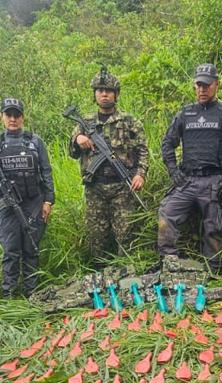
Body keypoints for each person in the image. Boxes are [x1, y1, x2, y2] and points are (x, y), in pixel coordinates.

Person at [157, 63, 222, 274]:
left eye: (207, 85)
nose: (202, 89)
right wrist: (173, 171)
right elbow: (167, 143)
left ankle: (212, 272)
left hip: (216, 180)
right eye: (198, 85)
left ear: (216, 85)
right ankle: (169, 265)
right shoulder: (185, 114)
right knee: (166, 213)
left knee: (214, 225)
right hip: (188, 180)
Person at [69, 67, 149, 266]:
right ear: (94, 95)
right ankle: (100, 281)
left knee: (126, 237)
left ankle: (125, 277)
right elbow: (72, 153)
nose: (104, 94)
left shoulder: (130, 122)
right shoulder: (84, 122)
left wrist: (140, 174)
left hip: (123, 188)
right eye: (99, 90)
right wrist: (77, 139)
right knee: (97, 239)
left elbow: (143, 151)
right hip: (95, 188)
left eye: (108, 91)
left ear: (116, 94)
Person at [0, 98, 55, 298]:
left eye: (17, 115)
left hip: (33, 202)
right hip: (6, 206)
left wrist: (48, 201)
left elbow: (46, 172)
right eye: (9, 115)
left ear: (23, 117)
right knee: (10, 251)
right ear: (2, 117)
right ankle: (9, 297)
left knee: (31, 248)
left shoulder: (35, 141)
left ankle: (32, 294)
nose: (13, 119)